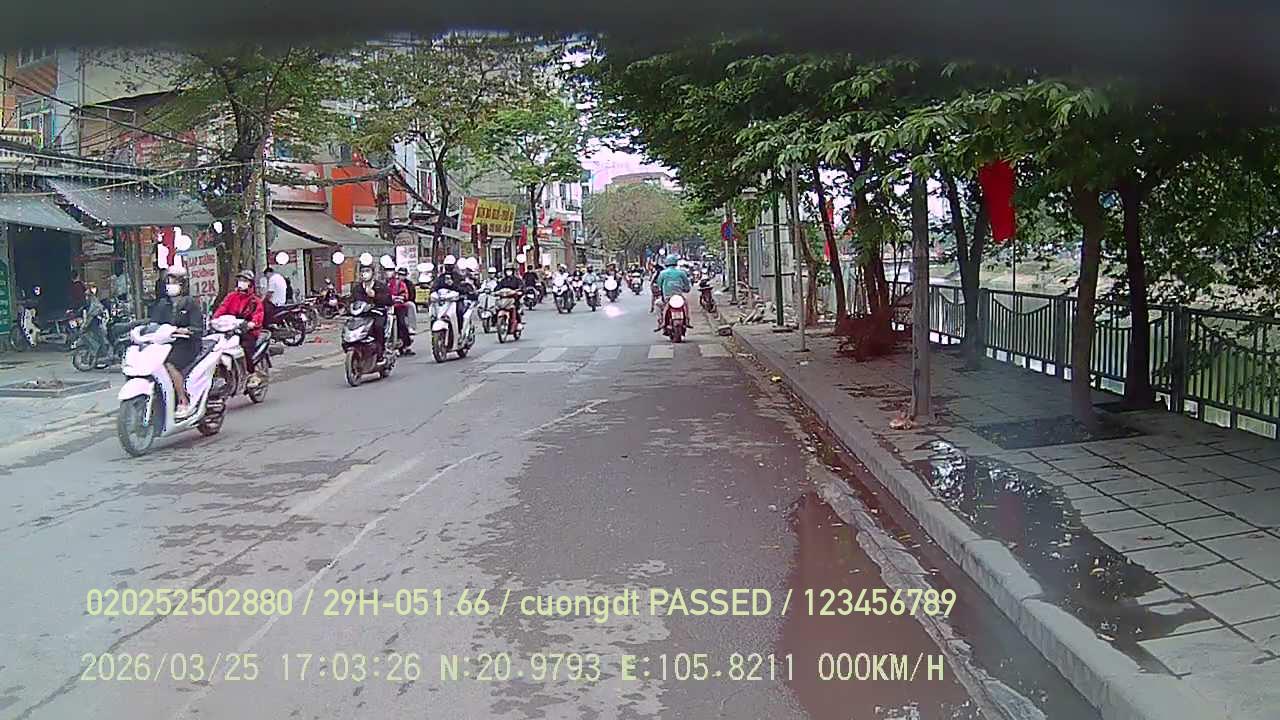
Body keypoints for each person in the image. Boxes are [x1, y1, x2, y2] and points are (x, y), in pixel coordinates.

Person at [148, 267, 205, 417]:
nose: (170, 284)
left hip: (186, 344)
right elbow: (153, 323)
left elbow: (198, 327)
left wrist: (186, 330)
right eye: (168, 281)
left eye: (174, 281)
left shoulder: (190, 303)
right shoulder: (162, 304)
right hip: (165, 344)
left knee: (169, 364)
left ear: (183, 284)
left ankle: (182, 399)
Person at [212, 270, 265, 382]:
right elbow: (222, 308)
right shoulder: (231, 296)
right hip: (230, 329)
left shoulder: (254, 300)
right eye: (240, 280)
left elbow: (258, 314)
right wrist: (214, 319)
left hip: (248, 331)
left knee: (245, 348)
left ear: (250, 283)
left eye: (245, 280)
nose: (241, 282)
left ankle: (252, 374)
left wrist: (252, 323)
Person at [351, 263, 393, 357]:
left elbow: (388, 300)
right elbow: (352, 301)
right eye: (362, 271)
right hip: (362, 315)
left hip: (377, 313)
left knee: (378, 327)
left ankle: (380, 352)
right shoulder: (357, 288)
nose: (364, 273)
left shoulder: (381, 286)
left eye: (367, 271)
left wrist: (375, 296)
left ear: (373, 273)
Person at [655, 254, 693, 331]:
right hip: (679, 297)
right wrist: (686, 289)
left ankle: (660, 321)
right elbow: (687, 286)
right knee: (685, 304)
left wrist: (660, 291)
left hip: (667, 298)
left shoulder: (662, 273)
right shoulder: (681, 273)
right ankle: (687, 320)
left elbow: (659, 285)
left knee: (657, 304)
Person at [431, 255, 468, 330]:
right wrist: (433, 293)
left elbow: (463, 289)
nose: (448, 267)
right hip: (443, 301)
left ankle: (460, 330)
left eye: (450, 265)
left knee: (459, 311)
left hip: (455, 301)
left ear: (454, 266)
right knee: (433, 313)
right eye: (447, 265)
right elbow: (434, 287)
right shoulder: (441, 277)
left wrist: (453, 285)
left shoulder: (458, 277)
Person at [82, 284, 109, 367]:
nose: (86, 297)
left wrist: (85, 326)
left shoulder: (94, 304)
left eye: (87, 296)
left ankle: (103, 355)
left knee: (98, 340)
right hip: (95, 323)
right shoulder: (92, 303)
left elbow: (91, 316)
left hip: (95, 324)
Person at [388, 267, 414, 355]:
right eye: (399, 274)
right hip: (389, 307)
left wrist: (401, 298)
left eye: (403, 275)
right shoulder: (387, 283)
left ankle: (406, 343)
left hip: (400, 306)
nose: (400, 276)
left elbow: (407, 295)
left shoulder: (403, 284)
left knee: (401, 323)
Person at [496, 264, 526, 329]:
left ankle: (519, 323)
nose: (508, 272)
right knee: (497, 308)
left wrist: (520, 292)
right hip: (504, 299)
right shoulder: (503, 281)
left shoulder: (517, 280)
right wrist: (495, 292)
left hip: (514, 299)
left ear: (513, 271)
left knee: (516, 309)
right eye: (507, 270)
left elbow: (522, 287)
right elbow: (497, 288)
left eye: (510, 270)